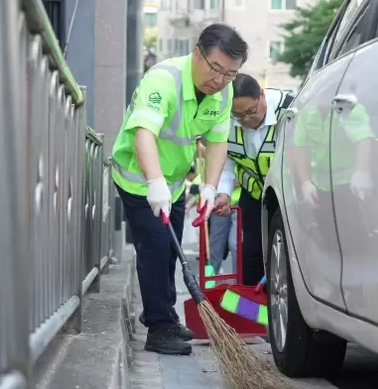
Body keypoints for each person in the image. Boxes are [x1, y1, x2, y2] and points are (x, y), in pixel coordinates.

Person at [111, 24, 248, 355]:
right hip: (138, 179)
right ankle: (159, 329)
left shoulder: (223, 92)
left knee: (171, 252)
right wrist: (154, 182)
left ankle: (166, 317)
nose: (220, 80)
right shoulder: (164, 79)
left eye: (230, 74)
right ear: (197, 53)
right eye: (215, 69)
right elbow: (144, 132)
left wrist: (210, 187)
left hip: (172, 184)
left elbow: (216, 142)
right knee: (155, 249)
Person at [213, 73, 294, 286]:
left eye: (251, 111)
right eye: (239, 116)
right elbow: (226, 161)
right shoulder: (227, 120)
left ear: (261, 95)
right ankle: (253, 312)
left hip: (288, 197)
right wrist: (223, 193)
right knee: (251, 254)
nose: (246, 119)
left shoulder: (289, 111)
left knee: (288, 255)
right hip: (254, 194)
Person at [208, 178, 241, 276]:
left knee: (236, 244)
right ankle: (211, 280)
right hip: (218, 203)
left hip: (239, 203)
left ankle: (239, 282)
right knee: (215, 245)